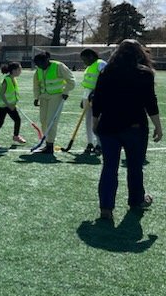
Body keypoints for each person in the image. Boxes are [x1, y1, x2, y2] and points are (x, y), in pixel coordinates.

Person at [92, 39, 162, 221]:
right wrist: (158, 125)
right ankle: (136, 200)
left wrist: (94, 122)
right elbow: (150, 102)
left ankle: (106, 208)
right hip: (135, 127)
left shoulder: (106, 72)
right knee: (135, 166)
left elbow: (98, 99)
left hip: (108, 126)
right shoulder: (144, 74)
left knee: (109, 167)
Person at [32, 51, 75, 154]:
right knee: (43, 120)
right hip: (44, 97)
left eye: (40, 64)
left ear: (47, 60)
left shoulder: (58, 66)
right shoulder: (39, 69)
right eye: (37, 65)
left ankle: (50, 145)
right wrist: (36, 97)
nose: (39, 66)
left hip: (56, 97)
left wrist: (66, 91)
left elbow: (71, 80)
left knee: (52, 121)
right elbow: (36, 84)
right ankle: (46, 142)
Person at [0, 62, 26, 148]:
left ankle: (16, 136)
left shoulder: (13, 79)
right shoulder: (6, 80)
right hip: (2, 105)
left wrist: (13, 103)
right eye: (19, 69)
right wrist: (8, 104)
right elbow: (2, 94)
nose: (21, 71)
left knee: (17, 120)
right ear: (13, 70)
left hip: (10, 105)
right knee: (0, 122)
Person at [79, 48, 107, 155]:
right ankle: (90, 143)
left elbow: (105, 79)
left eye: (84, 59)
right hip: (87, 96)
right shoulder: (89, 67)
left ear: (91, 56)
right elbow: (87, 84)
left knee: (97, 121)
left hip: (98, 97)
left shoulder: (101, 64)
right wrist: (83, 98)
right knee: (88, 121)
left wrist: (95, 92)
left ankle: (99, 144)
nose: (84, 62)